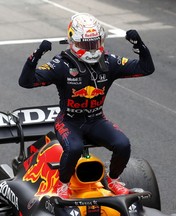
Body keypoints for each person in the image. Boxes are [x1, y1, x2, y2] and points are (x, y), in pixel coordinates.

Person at [19, 13, 155, 198]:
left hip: (96, 119)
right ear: (73, 42)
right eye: (86, 44)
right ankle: (63, 185)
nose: (91, 49)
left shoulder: (109, 62)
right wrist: (36, 55)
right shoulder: (61, 64)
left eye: (95, 43)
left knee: (123, 144)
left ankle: (113, 180)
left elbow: (146, 68)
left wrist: (139, 45)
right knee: (74, 148)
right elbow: (26, 81)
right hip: (69, 121)